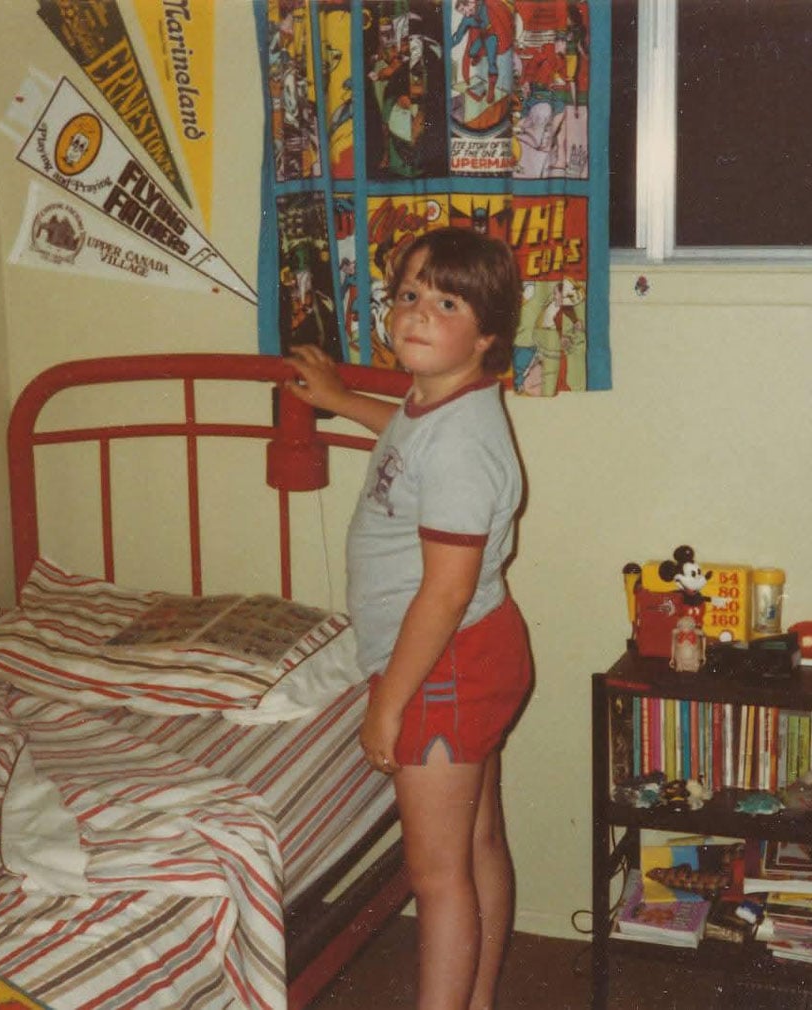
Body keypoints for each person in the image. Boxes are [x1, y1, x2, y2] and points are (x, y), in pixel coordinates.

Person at [283, 227, 531, 1010]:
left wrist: (388, 703)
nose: (417, 314)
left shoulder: (460, 443)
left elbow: (445, 593)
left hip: (442, 663)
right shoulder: (437, 402)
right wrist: (336, 401)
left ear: (488, 332)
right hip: (474, 652)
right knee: (478, 843)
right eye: (410, 295)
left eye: (446, 302)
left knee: (437, 877)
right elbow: (401, 440)